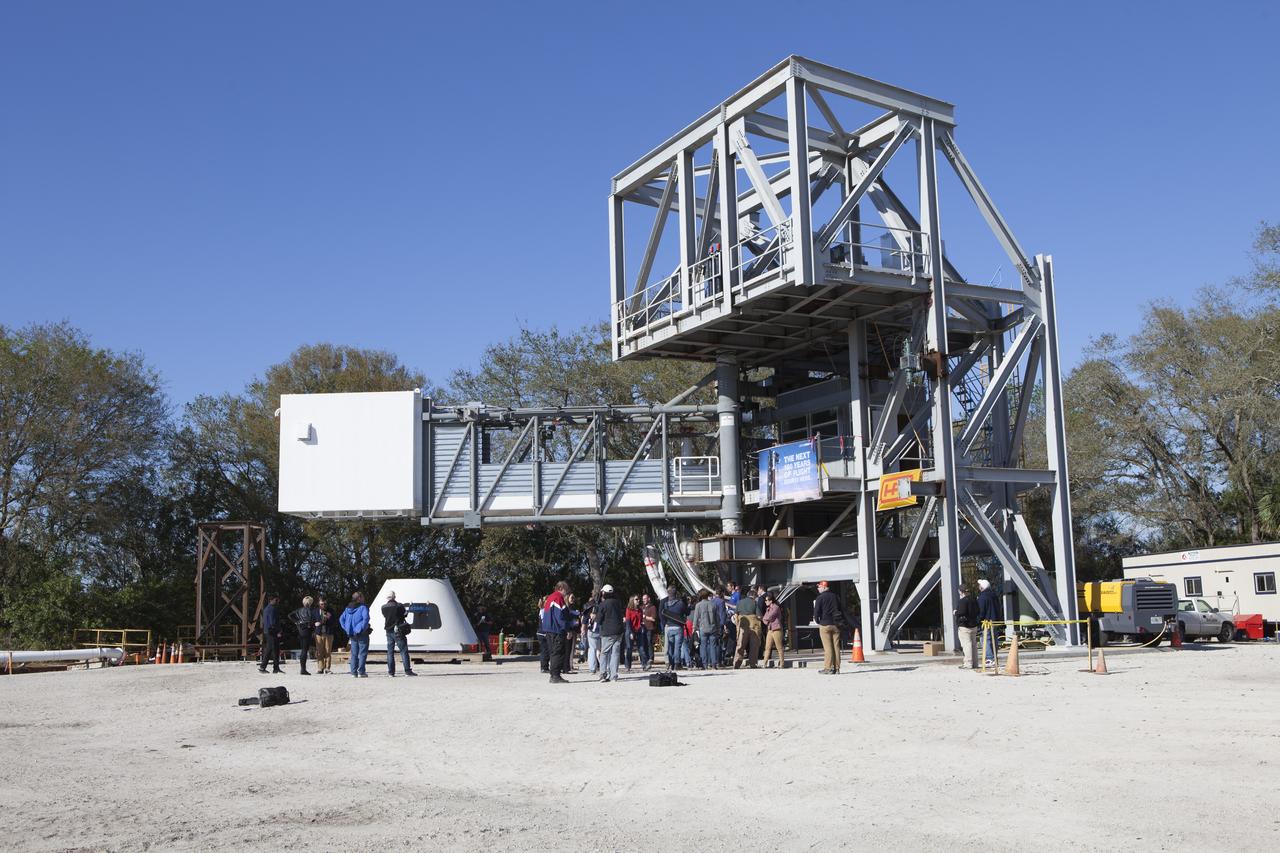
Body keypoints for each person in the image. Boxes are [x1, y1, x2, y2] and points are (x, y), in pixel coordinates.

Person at [540, 581, 571, 684]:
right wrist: (567, 629)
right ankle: (555, 675)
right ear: (561, 588)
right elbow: (560, 616)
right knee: (558, 652)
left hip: (549, 629)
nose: (567, 592)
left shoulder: (550, 597)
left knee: (553, 652)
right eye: (566, 590)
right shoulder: (558, 597)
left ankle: (553, 675)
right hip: (556, 630)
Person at [381, 591, 417, 677]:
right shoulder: (399, 605)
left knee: (390, 652)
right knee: (403, 651)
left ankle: (391, 672)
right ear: (394, 596)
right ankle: (407, 671)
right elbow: (404, 614)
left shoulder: (383, 607)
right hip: (398, 630)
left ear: (387, 597)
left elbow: (386, 616)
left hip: (388, 631)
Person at [813, 580, 845, 674]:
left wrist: (818, 621)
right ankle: (837, 668)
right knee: (836, 646)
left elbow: (816, 612)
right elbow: (841, 609)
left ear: (823, 587)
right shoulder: (835, 596)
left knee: (828, 648)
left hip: (825, 624)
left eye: (819, 587)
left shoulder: (820, 598)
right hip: (836, 625)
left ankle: (828, 668)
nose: (818, 589)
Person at [595, 585, 625, 682]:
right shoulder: (618, 603)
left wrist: (594, 617)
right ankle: (613, 676)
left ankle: (603, 674)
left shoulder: (603, 604)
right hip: (619, 631)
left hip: (608, 632)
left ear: (604, 593)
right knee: (615, 653)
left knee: (604, 653)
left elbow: (598, 620)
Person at [339, 592, 371, 678]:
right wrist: (361, 628)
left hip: (352, 634)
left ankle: (353, 673)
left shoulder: (347, 608)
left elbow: (341, 619)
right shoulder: (363, 607)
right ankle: (361, 672)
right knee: (363, 653)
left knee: (354, 654)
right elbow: (366, 618)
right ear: (359, 598)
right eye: (362, 597)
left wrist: (346, 629)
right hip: (362, 633)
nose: (364, 598)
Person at [692, 589, 723, 669]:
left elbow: (695, 618)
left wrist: (694, 628)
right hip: (712, 628)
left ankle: (704, 664)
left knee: (703, 646)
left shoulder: (698, 605)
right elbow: (717, 618)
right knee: (713, 646)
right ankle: (714, 664)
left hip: (703, 628)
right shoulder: (713, 604)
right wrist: (719, 628)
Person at [289, 595, 320, 676]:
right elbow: (312, 621)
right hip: (307, 631)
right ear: (310, 603)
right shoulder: (311, 610)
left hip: (301, 631)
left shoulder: (299, 610)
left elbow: (290, 615)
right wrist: (312, 626)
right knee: (304, 650)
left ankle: (303, 669)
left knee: (303, 649)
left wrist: (297, 622)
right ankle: (303, 669)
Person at [659, 587, 689, 670]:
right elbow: (687, 612)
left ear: (668, 593)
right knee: (677, 647)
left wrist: (665, 624)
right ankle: (677, 664)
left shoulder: (665, 604)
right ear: (676, 593)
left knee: (671, 647)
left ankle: (671, 664)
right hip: (678, 627)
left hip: (669, 627)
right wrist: (685, 602)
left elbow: (662, 615)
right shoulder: (680, 603)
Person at [733, 587, 761, 669]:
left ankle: (736, 663)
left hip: (742, 624)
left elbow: (735, 615)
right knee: (754, 645)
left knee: (740, 644)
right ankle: (753, 663)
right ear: (754, 596)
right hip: (753, 625)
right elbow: (759, 616)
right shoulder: (754, 603)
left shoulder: (739, 602)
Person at [954, 585, 980, 669]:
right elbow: (978, 611)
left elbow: (961, 612)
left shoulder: (962, 601)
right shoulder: (974, 600)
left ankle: (968, 663)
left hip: (965, 626)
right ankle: (975, 663)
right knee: (973, 645)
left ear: (961, 592)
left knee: (966, 645)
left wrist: (955, 612)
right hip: (974, 625)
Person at [257, 594, 283, 674]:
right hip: (272, 631)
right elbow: (272, 622)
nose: (277, 601)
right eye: (276, 600)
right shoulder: (272, 609)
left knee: (273, 649)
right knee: (272, 649)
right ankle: (263, 667)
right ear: (271, 600)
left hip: (268, 631)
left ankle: (275, 667)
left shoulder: (266, 609)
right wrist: (278, 631)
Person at [977, 578, 999, 665]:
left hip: (986, 622)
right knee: (994, 640)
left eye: (979, 585)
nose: (978, 587)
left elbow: (981, 611)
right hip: (995, 621)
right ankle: (994, 657)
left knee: (986, 640)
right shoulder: (994, 596)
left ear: (982, 587)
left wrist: (978, 620)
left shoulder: (982, 597)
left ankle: (989, 658)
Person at [761, 592, 785, 668]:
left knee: (779, 647)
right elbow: (764, 619)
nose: (765, 602)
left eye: (767, 600)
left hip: (777, 629)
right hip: (770, 629)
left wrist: (765, 619)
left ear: (771, 601)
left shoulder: (775, 607)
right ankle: (764, 663)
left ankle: (782, 663)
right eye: (765, 600)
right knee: (767, 647)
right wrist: (765, 619)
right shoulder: (768, 608)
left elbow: (770, 617)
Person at [313, 596, 335, 674]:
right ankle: (320, 668)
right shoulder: (315, 611)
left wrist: (329, 618)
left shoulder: (331, 611)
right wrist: (315, 624)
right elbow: (313, 621)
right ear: (319, 604)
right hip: (319, 633)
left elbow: (334, 622)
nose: (323, 605)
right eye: (322, 604)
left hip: (328, 633)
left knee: (328, 651)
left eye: (325, 604)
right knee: (319, 651)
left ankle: (327, 668)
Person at [584, 594, 602, 675]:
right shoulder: (602, 606)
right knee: (601, 650)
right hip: (601, 630)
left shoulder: (588, 607)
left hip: (592, 630)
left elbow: (584, 619)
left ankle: (592, 668)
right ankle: (604, 667)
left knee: (592, 649)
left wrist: (583, 629)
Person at [563, 592, 580, 674]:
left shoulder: (573, 608)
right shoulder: (566, 608)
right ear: (567, 598)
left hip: (573, 629)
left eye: (574, 598)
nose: (573, 599)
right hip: (568, 630)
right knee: (567, 649)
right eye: (571, 597)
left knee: (570, 649)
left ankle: (568, 666)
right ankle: (566, 667)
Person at [639, 593, 658, 671]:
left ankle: (651, 658)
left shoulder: (652, 607)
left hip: (649, 628)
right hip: (642, 628)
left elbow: (653, 619)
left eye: (645, 599)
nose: (644, 600)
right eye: (643, 599)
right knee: (643, 644)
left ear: (649, 599)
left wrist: (645, 617)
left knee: (649, 643)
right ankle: (645, 659)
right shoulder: (641, 607)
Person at [624, 595, 642, 672]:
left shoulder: (640, 610)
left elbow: (640, 621)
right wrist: (631, 632)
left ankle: (644, 665)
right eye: (636, 599)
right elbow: (628, 622)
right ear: (632, 601)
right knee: (629, 648)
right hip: (630, 630)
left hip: (638, 630)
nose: (638, 600)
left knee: (641, 648)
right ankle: (628, 666)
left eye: (638, 599)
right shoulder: (629, 610)